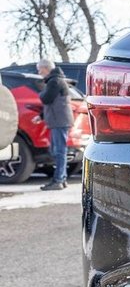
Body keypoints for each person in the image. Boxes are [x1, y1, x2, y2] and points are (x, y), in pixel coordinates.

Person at [36, 58, 73, 190]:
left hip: (59, 121)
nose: (39, 72)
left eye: (40, 69)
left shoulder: (54, 81)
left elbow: (46, 98)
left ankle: (58, 180)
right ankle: (61, 179)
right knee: (57, 151)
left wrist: (40, 93)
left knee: (59, 152)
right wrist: (40, 116)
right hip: (58, 120)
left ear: (46, 68)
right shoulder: (55, 80)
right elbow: (51, 103)